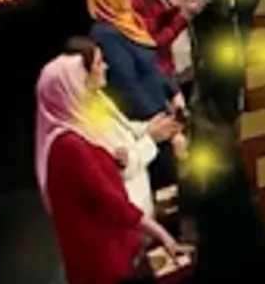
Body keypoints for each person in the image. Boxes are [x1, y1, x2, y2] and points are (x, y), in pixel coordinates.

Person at [35, 53, 186, 284]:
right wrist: (162, 235)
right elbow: (111, 201)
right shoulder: (70, 147)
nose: (101, 70)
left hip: (117, 246)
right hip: (107, 256)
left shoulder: (77, 130)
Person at [63, 36, 184, 218]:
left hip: (141, 201)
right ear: (82, 72)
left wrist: (150, 127)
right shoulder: (82, 118)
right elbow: (121, 167)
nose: (106, 67)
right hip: (128, 210)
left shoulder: (97, 98)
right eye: (99, 63)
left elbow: (123, 129)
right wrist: (151, 138)